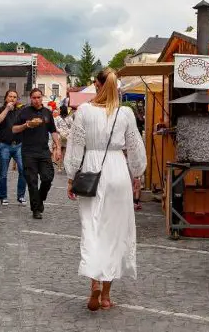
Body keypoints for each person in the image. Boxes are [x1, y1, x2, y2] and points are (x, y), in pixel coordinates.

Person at [65, 69, 146, 311]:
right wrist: (137, 174)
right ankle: (107, 295)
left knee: (92, 228)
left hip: (92, 169)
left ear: (96, 85)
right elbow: (135, 147)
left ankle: (95, 284)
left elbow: (76, 146)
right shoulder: (126, 113)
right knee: (114, 232)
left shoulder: (85, 112)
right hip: (117, 171)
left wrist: (71, 177)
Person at [13, 88, 62, 219]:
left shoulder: (47, 113)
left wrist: (57, 147)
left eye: (39, 97)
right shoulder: (24, 112)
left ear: (42, 98)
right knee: (32, 181)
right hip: (28, 151)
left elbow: (53, 131)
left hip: (44, 151)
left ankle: (40, 199)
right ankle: (36, 209)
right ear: (30, 98)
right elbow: (14, 129)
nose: (36, 100)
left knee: (48, 177)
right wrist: (26, 125)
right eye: (34, 98)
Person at [0, 90, 26, 206]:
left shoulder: (21, 111)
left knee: (23, 170)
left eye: (15, 97)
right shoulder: (0, 110)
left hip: (19, 145)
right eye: (10, 96)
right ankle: (3, 196)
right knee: (3, 173)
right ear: (6, 98)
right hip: (4, 145)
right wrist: (7, 109)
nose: (12, 99)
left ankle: (21, 195)